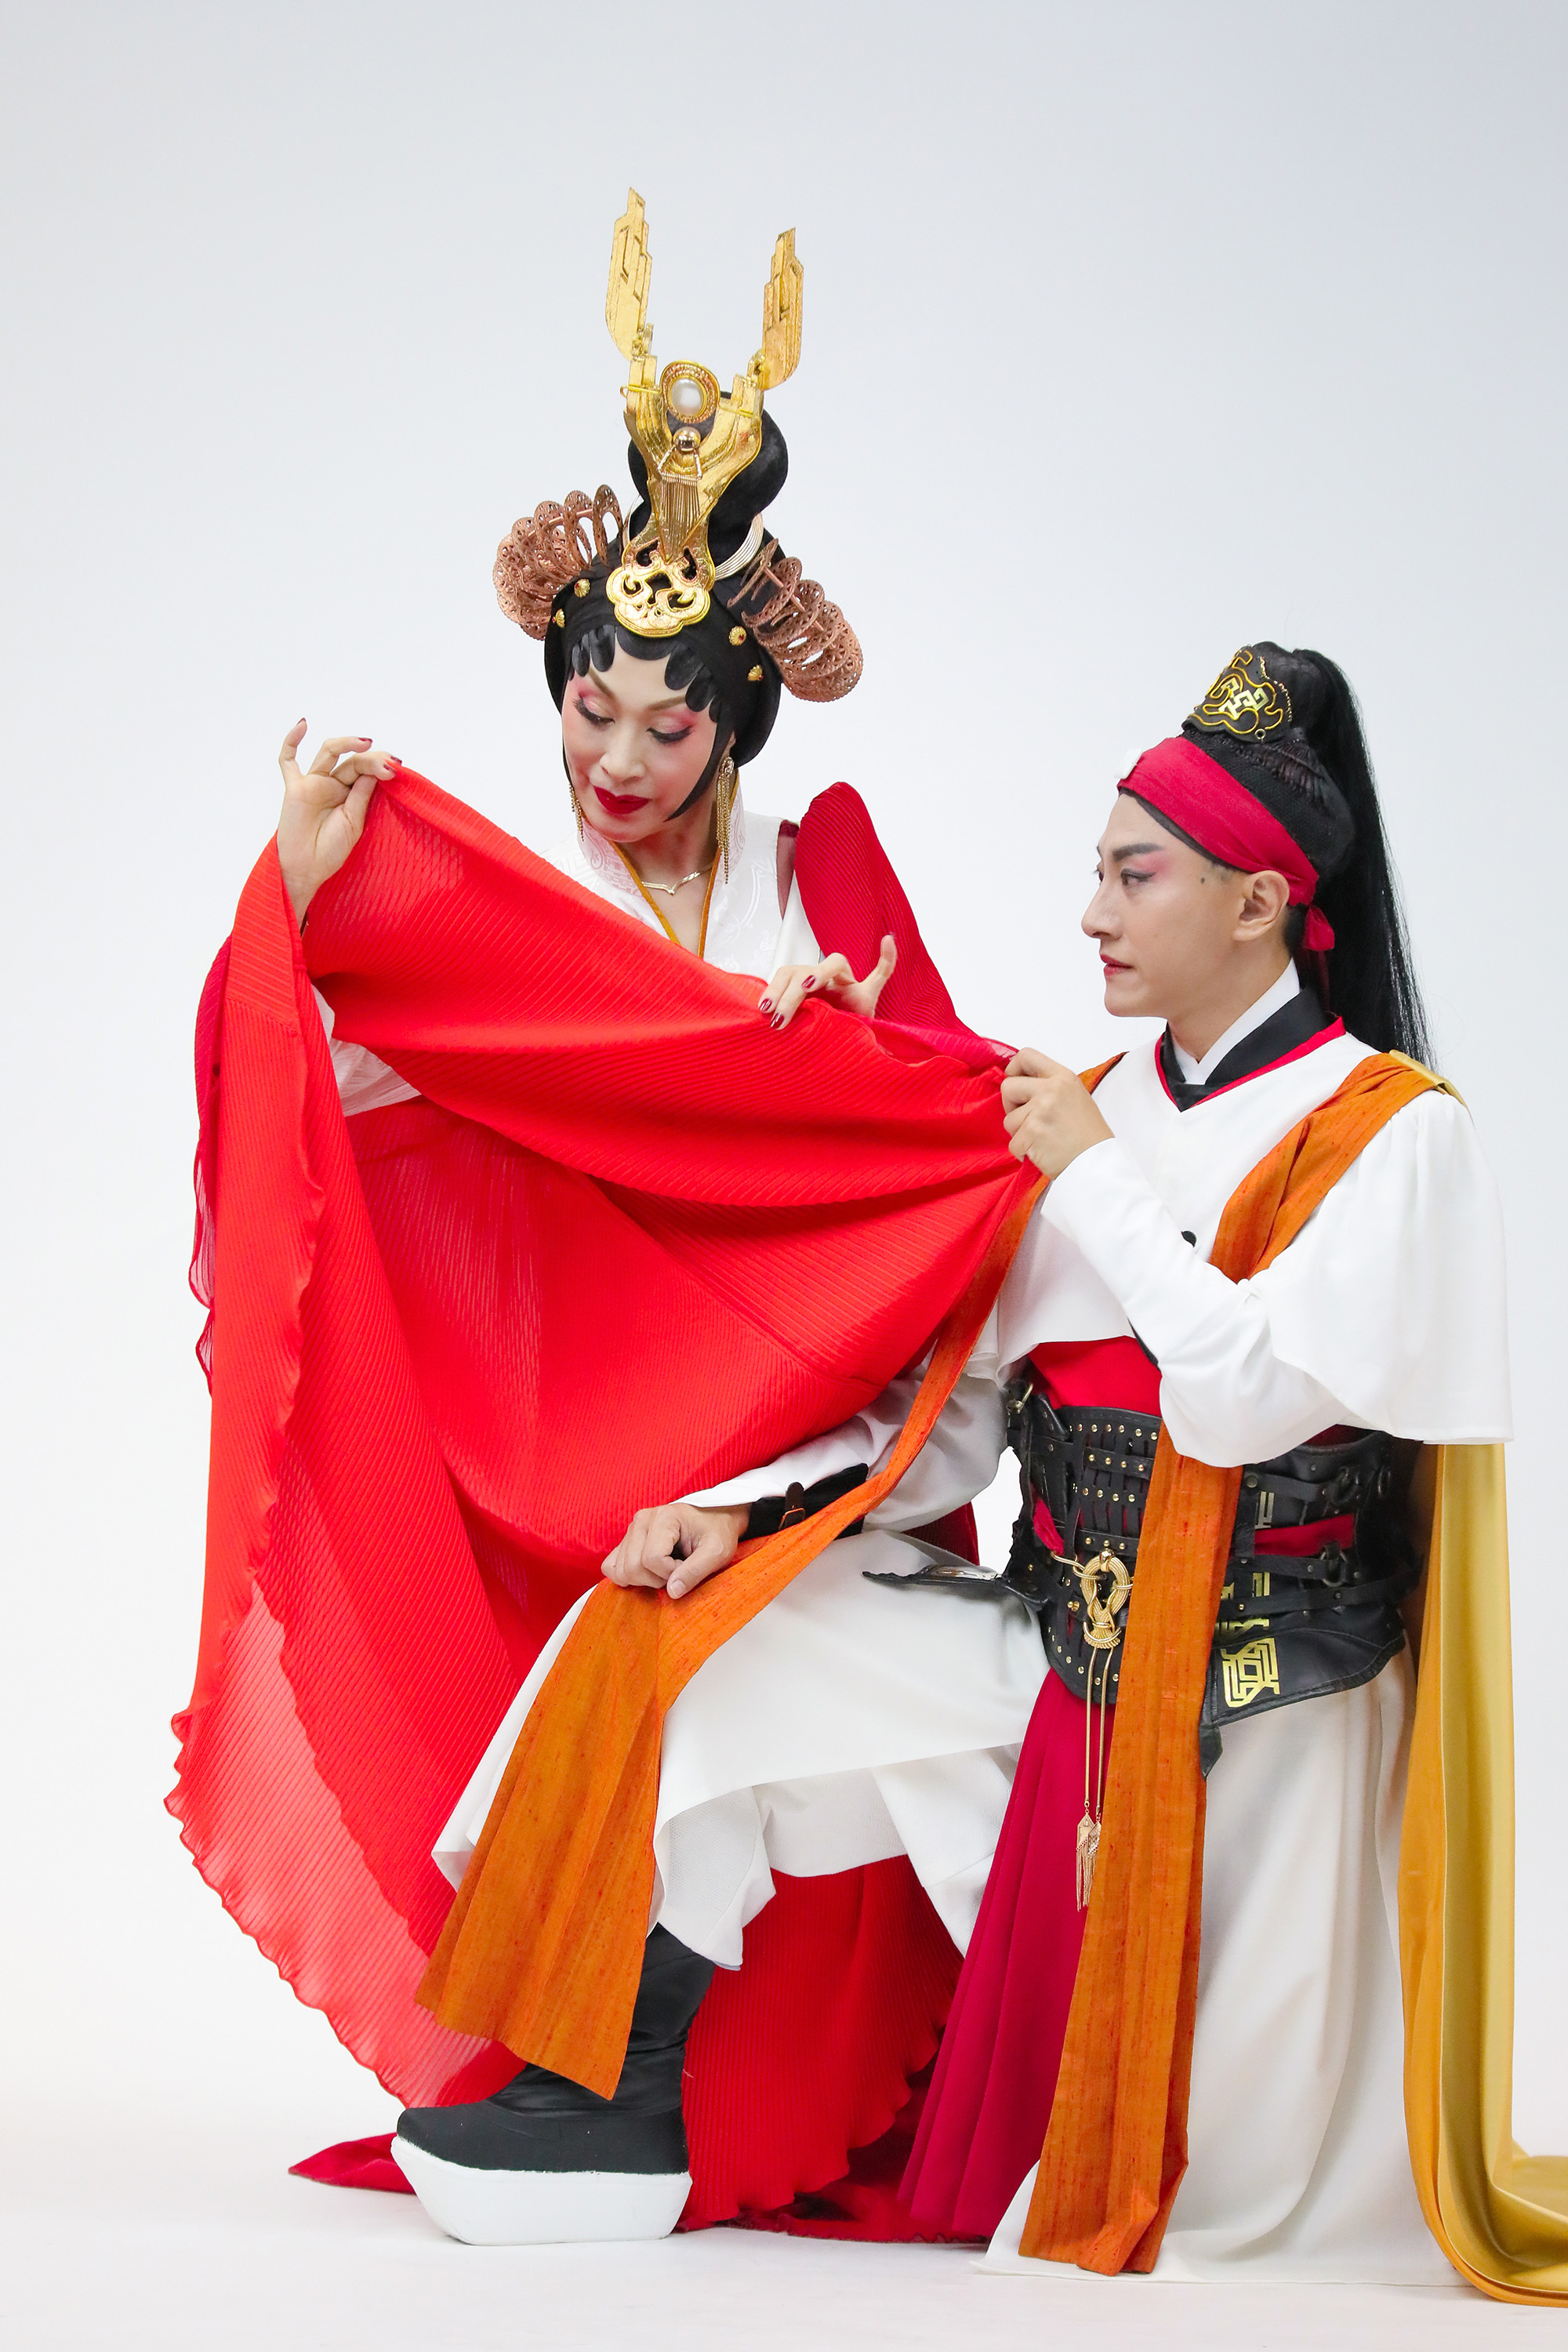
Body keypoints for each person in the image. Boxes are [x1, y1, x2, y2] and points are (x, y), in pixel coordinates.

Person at [428, 643, 1563, 2297]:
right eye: (1095, 871)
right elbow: (950, 1427)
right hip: (1057, 1646)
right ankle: (613, 2096)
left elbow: (1240, 1401)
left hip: (1267, 1718)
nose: (1092, 914)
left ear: (1258, 903)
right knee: (715, 1640)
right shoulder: (1084, 1112)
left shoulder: (1391, 1133)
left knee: (1221, 2207)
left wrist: (1095, 1182)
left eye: (1134, 875)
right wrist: (740, 1513)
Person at [176, 192, 1033, 2243]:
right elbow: (326, 1098)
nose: (622, 758)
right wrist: (300, 893)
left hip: (809, 1435)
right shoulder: (509, 912)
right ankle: (596, 2075)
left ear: (741, 720)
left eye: (672, 721)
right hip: (574, 1427)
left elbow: (959, 1168)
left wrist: (840, 1069)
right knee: (586, 1687)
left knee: (710, 1686)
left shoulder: (825, 885)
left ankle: (672, 2086)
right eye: (590, 707)